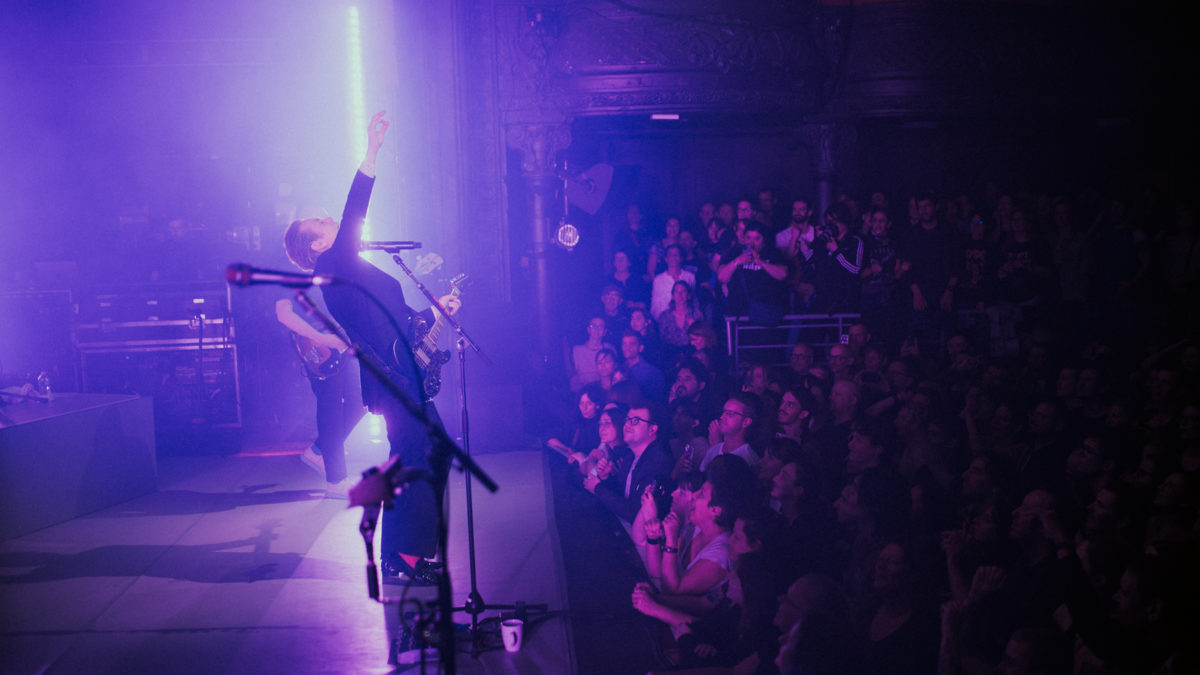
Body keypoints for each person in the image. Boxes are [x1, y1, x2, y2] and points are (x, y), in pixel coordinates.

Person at [282, 111, 461, 585]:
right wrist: (372, 150)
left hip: (399, 377)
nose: (329, 218)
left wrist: (434, 313)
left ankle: (406, 556)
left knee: (427, 454)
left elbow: (392, 317)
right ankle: (403, 559)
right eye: (320, 221)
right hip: (392, 382)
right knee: (418, 459)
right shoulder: (334, 264)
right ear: (315, 245)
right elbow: (354, 208)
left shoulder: (350, 268)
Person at [274, 296, 365, 498]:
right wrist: (323, 339)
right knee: (331, 407)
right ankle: (336, 480)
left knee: (360, 403)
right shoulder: (290, 278)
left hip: (344, 346)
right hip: (319, 348)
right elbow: (283, 315)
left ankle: (318, 449)